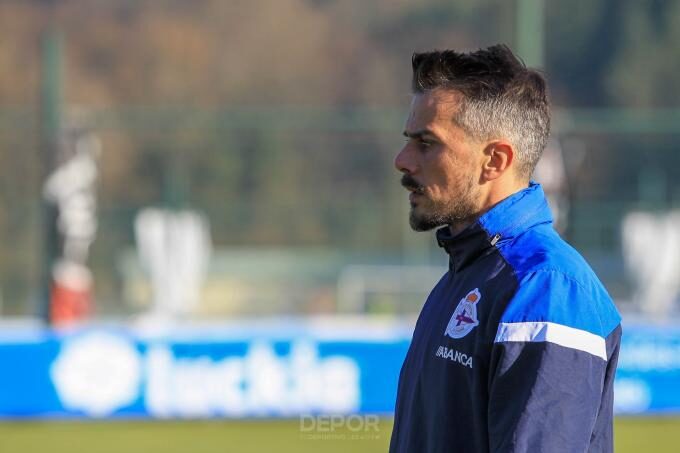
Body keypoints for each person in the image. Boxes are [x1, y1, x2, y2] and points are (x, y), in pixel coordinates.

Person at [389, 45, 621, 453]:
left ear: (495, 160)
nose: (402, 160)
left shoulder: (547, 289)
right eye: (409, 140)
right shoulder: (467, 272)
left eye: (426, 143)